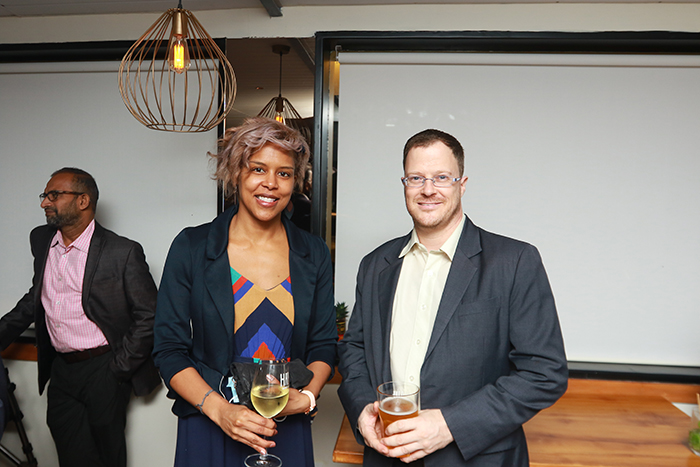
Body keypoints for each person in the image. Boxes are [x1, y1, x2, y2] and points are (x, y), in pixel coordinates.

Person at [337, 129, 568, 467]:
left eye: (442, 177)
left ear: (462, 184)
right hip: (386, 454)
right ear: (404, 184)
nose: (428, 189)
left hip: (478, 459)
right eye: (416, 178)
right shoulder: (375, 265)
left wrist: (448, 425)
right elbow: (354, 349)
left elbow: (544, 373)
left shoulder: (515, 261)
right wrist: (361, 412)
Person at [153, 117, 337, 467]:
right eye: (258, 169)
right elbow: (169, 349)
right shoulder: (192, 247)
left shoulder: (313, 253)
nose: (271, 183)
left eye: (284, 173)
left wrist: (308, 397)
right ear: (235, 173)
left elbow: (324, 344)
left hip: (283, 426)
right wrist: (220, 411)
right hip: (210, 424)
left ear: (295, 181)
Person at [0, 167, 161, 467]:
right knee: (70, 455)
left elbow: (149, 315)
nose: (44, 203)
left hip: (104, 368)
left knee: (107, 457)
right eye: (45, 195)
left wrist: (118, 369)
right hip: (61, 369)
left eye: (54, 195)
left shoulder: (122, 251)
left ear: (83, 200)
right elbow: (36, 298)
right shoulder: (41, 240)